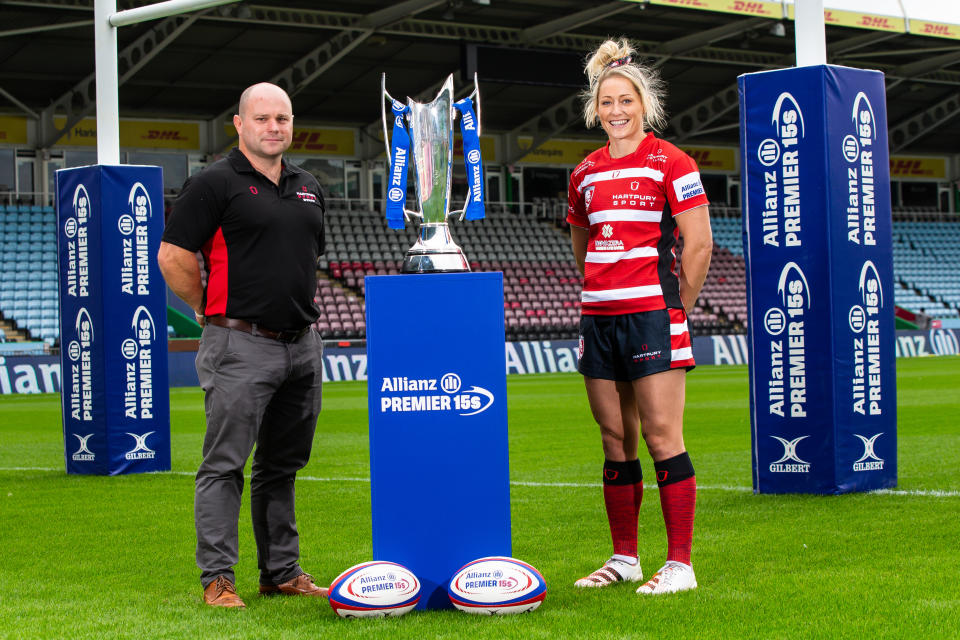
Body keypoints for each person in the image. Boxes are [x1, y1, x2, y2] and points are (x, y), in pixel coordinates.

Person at [157, 82, 327, 609]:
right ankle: (217, 578)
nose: (274, 127)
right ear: (239, 124)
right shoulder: (213, 183)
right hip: (239, 344)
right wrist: (212, 311)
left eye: (283, 118)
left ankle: (280, 571)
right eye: (262, 119)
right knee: (224, 465)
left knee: (281, 466)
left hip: (302, 345)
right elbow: (172, 255)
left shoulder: (309, 185)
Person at [566, 39, 712, 595]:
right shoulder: (584, 172)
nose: (616, 111)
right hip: (599, 316)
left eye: (625, 101)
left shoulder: (672, 161)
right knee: (613, 438)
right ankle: (624, 557)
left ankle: (680, 564)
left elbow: (698, 245)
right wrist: (609, 285)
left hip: (653, 314)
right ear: (595, 109)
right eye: (607, 103)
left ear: (643, 105)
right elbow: (582, 245)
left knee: (660, 435)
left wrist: (677, 309)